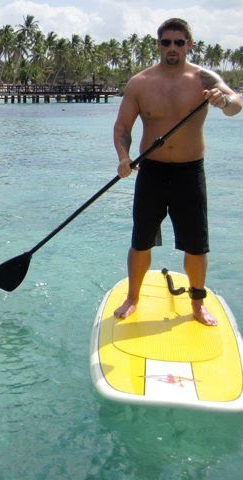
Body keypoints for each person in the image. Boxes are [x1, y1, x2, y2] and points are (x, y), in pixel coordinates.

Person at [113, 18, 241, 326]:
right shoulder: (140, 83)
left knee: (197, 245)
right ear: (158, 45)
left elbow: (237, 103)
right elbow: (122, 127)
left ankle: (197, 305)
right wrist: (123, 157)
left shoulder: (203, 78)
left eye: (179, 42)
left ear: (189, 45)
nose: (172, 48)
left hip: (189, 173)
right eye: (166, 42)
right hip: (151, 172)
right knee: (140, 241)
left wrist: (223, 101)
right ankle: (133, 298)